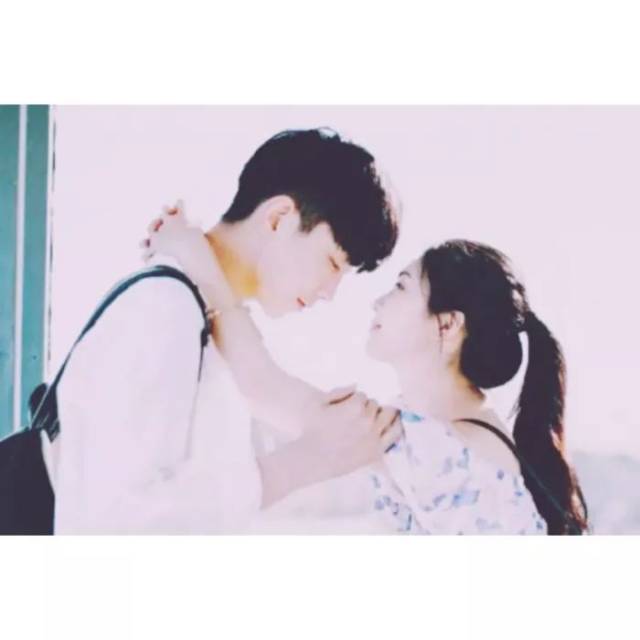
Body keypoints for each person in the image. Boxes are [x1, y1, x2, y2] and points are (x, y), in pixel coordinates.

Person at [145, 209, 589, 535]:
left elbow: (264, 386)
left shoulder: (440, 448)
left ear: (447, 325)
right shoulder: (458, 437)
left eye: (400, 287)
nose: (377, 302)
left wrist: (194, 253)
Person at [45, 128, 401, 533]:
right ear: (278, 218)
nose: (329, 293)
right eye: (333, 263)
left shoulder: (206, 326)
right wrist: (304, 461)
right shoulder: (166, 305)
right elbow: (117, 521)